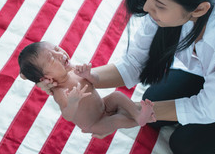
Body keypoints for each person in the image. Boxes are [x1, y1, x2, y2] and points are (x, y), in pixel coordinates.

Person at [38, 0, 215, 154]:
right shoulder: (169, 1)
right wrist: (69, 79)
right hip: (206, 73)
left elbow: (207, 108)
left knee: (184, 146)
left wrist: (129, 113)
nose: (146, 7)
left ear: (199, 9)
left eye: (159, 5)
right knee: (153, 99)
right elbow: (134, 64)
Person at [18, 41, 156, 138]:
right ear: (45, 78)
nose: (60, 54)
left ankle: (137, 114)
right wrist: (72, 102)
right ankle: (139, 121)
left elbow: (95, 82)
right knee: (117, 120)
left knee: (117, 95)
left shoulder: (73, 70)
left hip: (103, 105)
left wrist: (89, 75)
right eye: (52, 58)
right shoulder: (60, 91)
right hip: (95, 123)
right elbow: (67, 115)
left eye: (57, 49)